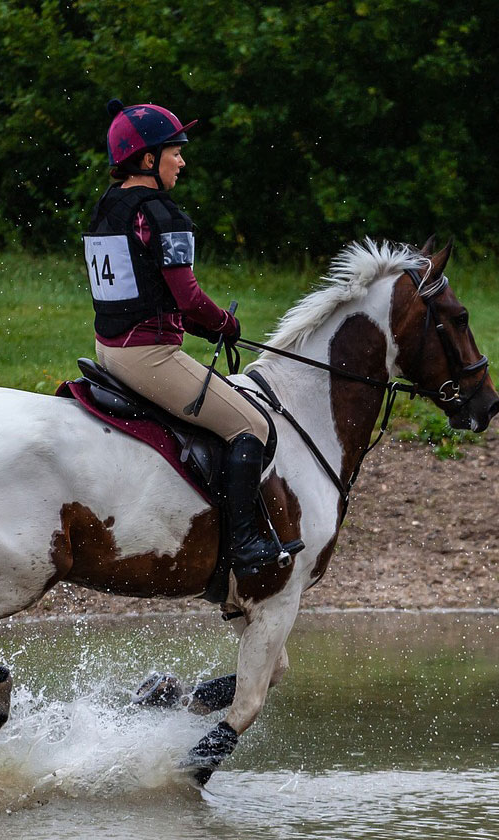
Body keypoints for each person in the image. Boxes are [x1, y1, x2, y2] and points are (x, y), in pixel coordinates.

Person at [83, 99, 289, 576]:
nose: (182, 161)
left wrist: (202, 323)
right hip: (147, 356)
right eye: (175, 151)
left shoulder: (107, 208)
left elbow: (155, 294)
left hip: (107, 349)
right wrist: (225, 325)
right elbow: (189, 298)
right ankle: (243, 548)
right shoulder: (162, 214)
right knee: (252, 427)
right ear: (148, 158)